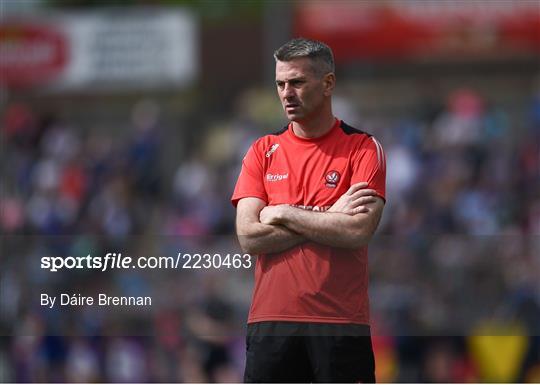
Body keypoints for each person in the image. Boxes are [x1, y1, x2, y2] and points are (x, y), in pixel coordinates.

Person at [231, 38, 386, 383]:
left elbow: (357, 230)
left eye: (297, 82)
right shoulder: (262, 150)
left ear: (328, 83)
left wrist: (284, 210)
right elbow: (249, 236)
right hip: (270, 322)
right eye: (280, 84)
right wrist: (331, 213)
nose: (287, 93)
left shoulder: (362, 148)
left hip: (341, 324)